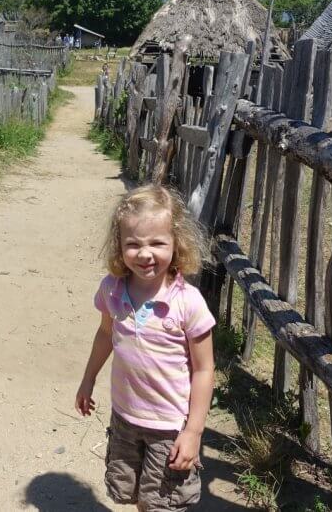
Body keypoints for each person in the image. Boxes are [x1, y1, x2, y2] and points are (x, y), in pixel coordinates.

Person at [76, 185, 215, 511]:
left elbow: (205, 369)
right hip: (125, 417)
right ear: (119, 244)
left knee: (163, 502)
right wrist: (88, 379)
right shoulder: (112, 290)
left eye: (157, 243)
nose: (145, 253)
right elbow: (105, 335)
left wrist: (194, 431)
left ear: (176, 243)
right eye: (133, 244)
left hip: (168, 426)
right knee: (136, 494)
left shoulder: (187, 303)